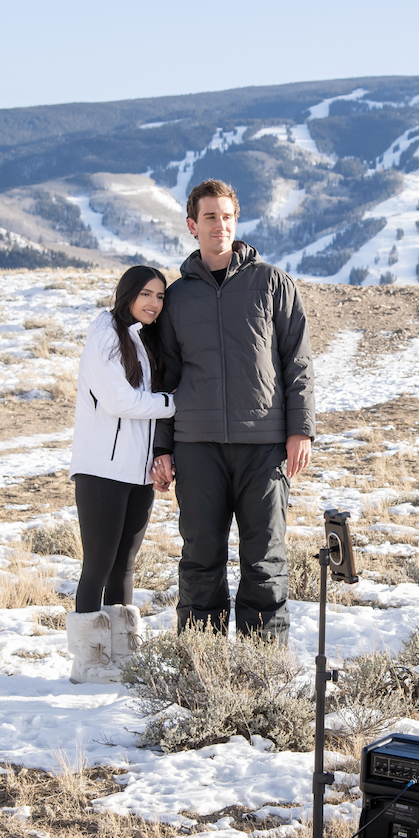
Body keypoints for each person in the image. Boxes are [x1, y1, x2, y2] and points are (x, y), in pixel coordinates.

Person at [151, 178, 314, 642]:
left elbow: (297, 362)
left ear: (235, 222)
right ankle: (201, 670)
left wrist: (300, 430)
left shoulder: (272, 283)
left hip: (263, 445)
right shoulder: (177, 298)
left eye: (226, 216)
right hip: (197, 445)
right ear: (191, 226)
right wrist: (163, 447)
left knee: (265, 561)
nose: (219, 225)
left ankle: (261, 671)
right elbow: (165, 379)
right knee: (200, 559)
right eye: (209, 217)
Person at [67, 266, 176, 684]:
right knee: (98, 563)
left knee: (125, 566)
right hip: (101, 470)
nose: (153, 303)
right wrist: (173, 403)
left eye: (160, 296)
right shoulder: (105, 334)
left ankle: (121, 657)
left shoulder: (139, 339)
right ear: (127, 293)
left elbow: (138, 409)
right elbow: (120, 401)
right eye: (146, 293)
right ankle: (88, 662)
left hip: (136, 472)